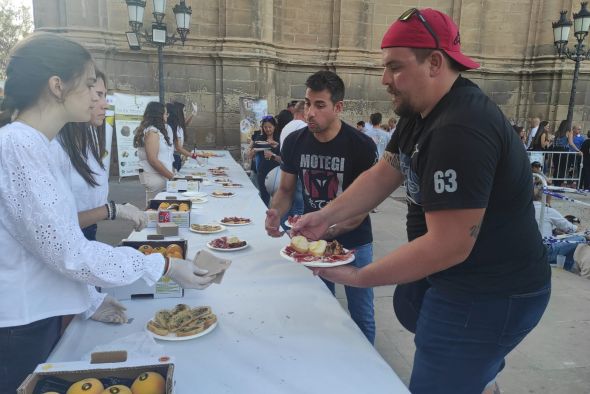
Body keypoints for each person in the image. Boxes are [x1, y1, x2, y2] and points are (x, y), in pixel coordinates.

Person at [291, 9, 551, 394]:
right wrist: (325, 216)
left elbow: (448, 245)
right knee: (422, 319)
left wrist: (360, 278)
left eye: (395, 67)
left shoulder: (461, 128)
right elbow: (385, 172)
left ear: (434, 62)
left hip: (491, 292)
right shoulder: (421, 110)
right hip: (460, 281)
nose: (384, 80)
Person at [0, 33, 215, 393]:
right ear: (57, 86)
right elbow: (68, 250)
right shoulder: (19, 146)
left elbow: (56, 239)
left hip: (37, 314)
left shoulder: (41, 146)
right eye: (89, 85)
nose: (98, 97)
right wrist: (162, 265)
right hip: (20, 322)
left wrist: (90, 300)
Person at [265, 70, 378, 343]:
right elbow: (285, 190)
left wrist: (323, 232)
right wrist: (274, 214)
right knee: (318, 305)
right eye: (307, 103)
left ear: (338, 107)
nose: (309, 113)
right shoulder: (294, 141)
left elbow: (361, 208)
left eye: (319, 105)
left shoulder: (360, 145)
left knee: (361, 312)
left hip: (354, 242)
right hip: (313, 241)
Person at [51, 70, 147, 241]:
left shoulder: (89, 134)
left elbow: (89, 197)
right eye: (98, 94)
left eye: (105, 96)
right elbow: (54, 225)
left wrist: (118, 209)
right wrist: (112, 210)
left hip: (86, 235)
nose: (105, 104)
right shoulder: (52, 146)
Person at [533, 183, 585, 271]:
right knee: (581, 238)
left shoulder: (523, 209)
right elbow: (573, 229)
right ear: (546, 196)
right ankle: (565, 268)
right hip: (544, 252)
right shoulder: (548, 211)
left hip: (526, 251)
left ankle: (564, 266)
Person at [134, 101, 176, 205]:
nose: (167, 116)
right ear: (158, 115)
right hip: (155, 178)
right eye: (165, 113)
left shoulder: (156, 131)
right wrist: (172, 177)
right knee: (156, 210)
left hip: (161, 176)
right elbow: (152, 160)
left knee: (159, 209)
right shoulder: (152, 132)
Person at [279, 100, 307, 219]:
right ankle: (296, 231)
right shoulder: (303, 126)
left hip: (286, 168)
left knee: (287, 201)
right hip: (298, 170)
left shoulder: (287, 126)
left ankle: (285, 227)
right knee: (299, 206)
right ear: (304, 112)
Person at [249, 115, 281, 206]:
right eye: (265, 127)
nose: (268, 129)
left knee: (277, 199)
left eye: (270, 127)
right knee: (264, 198)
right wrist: (253, 151)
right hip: (262, 172)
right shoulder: (260, 139)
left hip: (276, 173)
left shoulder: (280, 139)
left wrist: (274, 152)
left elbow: (283, 160)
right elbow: (250, 156)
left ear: (274, 127)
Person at [166, 102, 200, 172]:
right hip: (174, 156)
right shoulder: (173, 127)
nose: (185, 113)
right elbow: (178, 148)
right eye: (184, 111)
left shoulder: (178, 125)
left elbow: (185, 125)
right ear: (179, 112)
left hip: (177, 156)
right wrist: (194, 156)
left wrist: (193, 114)